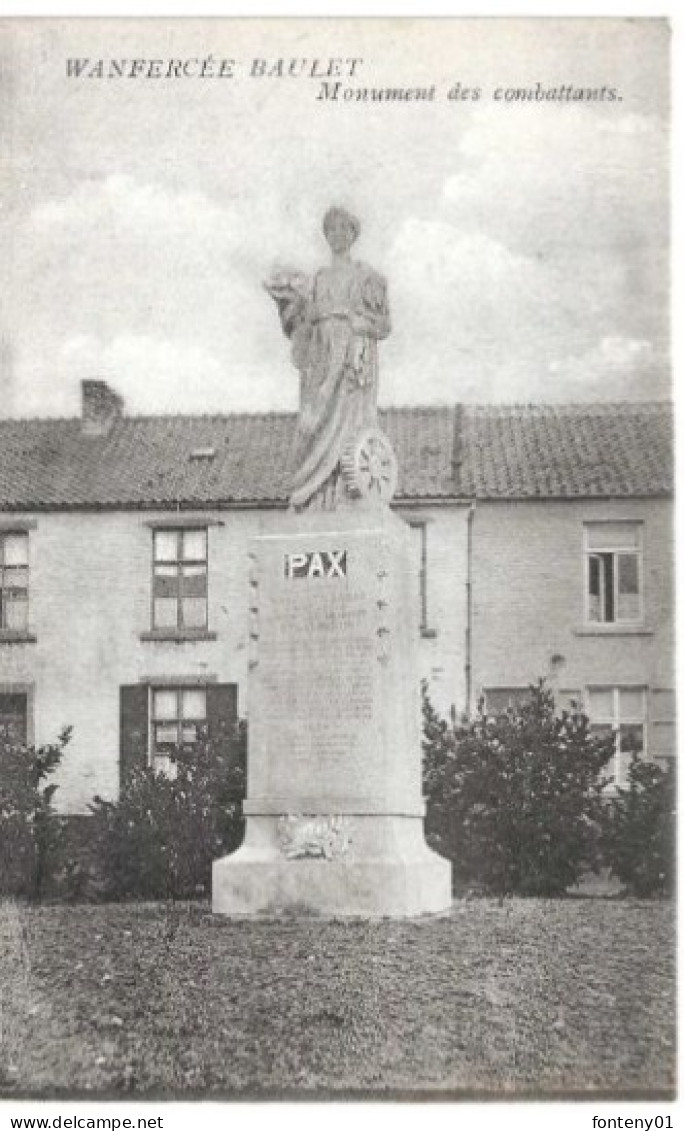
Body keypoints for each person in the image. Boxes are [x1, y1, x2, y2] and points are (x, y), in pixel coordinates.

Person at [265, 207, 391, 510]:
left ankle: (344, 493)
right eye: (331, 230)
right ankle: (311, 493)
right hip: (320, 362)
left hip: (352, 359)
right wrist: (288, 305)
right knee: (312, 424)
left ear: (353, 234)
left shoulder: (368, 277)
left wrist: (359, 326)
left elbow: (384, 325)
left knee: (350, 425)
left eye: (343, 229)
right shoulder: (316, 280)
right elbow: (300, 322)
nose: (337, 235)